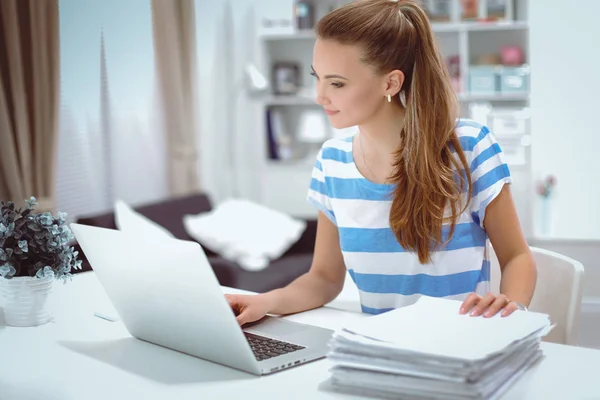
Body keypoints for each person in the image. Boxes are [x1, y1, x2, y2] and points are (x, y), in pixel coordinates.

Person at [226, 0, 536, 326]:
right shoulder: (331, 163)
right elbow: (324, 278)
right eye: (317, 77)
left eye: (337, 83)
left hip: (462, 350)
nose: (319, 96)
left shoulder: (468, 147)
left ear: (390, 83)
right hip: (378, 354)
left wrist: (510, 308)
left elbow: (517, 257)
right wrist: (264, 302)